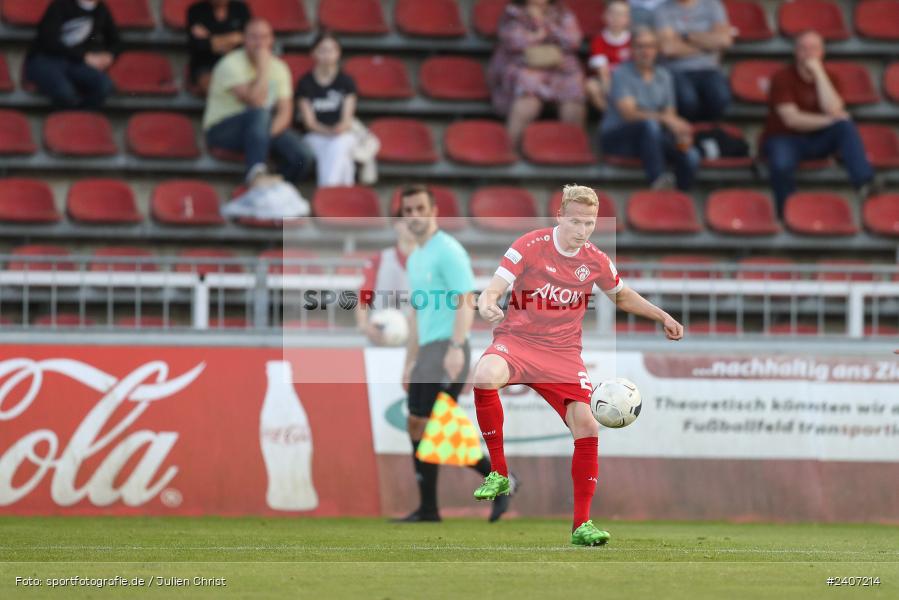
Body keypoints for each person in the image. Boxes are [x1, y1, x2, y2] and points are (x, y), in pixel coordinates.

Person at [470, 184, 684, 546]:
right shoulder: (529, 245)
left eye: (589, 223)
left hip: (563, 354)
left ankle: (582, 525)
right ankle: (499, 473)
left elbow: (622, 296)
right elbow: (494, 288)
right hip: (519, 342)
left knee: (587, 425)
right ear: (560, 216)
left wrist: (661, 315)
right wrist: (488, 303)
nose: (582, 230)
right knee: (485, 374)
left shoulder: (596, 259)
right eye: (575, 221)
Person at [395, 185, 516, 524]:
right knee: (425, 424)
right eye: (408, 210)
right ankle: (492, 485)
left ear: (433, 211)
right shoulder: (416, 257)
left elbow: (466, 299)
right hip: (427, 351)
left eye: (420, 208)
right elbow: (417, 313)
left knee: (428, 424)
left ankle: (442, 505)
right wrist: (409, 361)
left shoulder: (448, 250)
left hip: (448, 346)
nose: (414, 216)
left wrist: (455, 347)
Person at [762, 31, 878, 216]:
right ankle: (787, 213)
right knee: (781, 163)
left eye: (814, 48)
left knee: (845, 127)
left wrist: (819, 73)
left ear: (822, 52)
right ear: (795, 52)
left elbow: (833, 109)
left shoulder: (830, 77)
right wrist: (830, 120)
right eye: (804, 48)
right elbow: (792, 120)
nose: (809, 53)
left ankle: (864, 182)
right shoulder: (782, 77)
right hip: (785, 138)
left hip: (816, 139)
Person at [203, 18, 312, 185]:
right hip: (222, 129)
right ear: (244, 39)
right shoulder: (230, 64)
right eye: (254, 37)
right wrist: (263, 68)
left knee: (303, 156)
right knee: (259, 114)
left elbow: (285, 112)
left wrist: (263, 137)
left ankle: (273, 193)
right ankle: (256, 174)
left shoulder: (280, 68)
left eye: (264, 37)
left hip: (262, 130)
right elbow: (256, 101)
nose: (260, 43)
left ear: (271, 39)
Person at [599, 28, 699, 190]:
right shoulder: (621, 73)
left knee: (690, 154)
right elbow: (629, 114)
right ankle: (658, 181)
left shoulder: (664, 76)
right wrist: (665, 119)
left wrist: (679, 131)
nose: (645, 51)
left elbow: (670, 114)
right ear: (632, 50)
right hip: (618, 138)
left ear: (657, 50)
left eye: (650, 46)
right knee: (649, 125)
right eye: (640, 46)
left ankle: (679, 197)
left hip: (652, 139)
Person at [487, 0, 586, 145]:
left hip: (559, 67)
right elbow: (515, 41)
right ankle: (509, 147)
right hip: (524, 64)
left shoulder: (562, 12)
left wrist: (544, 27)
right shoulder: (513, 13)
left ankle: (572, 148)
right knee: (529, 96)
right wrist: (540, 28)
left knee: (573, 93)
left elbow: (573, 41)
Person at [24, 0, 118, 109]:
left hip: (76, 63)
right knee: (64, 92)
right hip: (46, 60)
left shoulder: (101, 9)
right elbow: (49, 41)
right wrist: (84, 56)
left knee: (104, 85)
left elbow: (116, 41)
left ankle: (82, 115)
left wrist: (109, 55)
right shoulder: (60, 5)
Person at [296, 32, 358, 187]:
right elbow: (309, 123)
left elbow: (347, 121)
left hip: (342, 135)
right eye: (322, 50)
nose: (327, 55)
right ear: (313, 53)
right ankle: (340, 194)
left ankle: (326, 190)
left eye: (331, 50)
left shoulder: (346, 82)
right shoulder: (305, 83)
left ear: (338, 53)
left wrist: (337, 130)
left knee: (340, 144)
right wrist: (328, 131)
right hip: (315, 136)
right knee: (342, 157)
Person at [654, 0, 733, 122]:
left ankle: (706, 130)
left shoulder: (712, 5)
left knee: (721, 96)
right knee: (687, 100)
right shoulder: (662, 9)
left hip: (709, 68)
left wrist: (686, 37)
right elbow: (668, 49)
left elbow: (724, 40)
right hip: (676, 70)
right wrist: (709, 46)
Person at [356, 217, 415, 345]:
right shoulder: (379, 259)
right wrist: (364, 325)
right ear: (397, 224)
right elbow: (364, 295)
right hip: (379, 334)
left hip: (416, 339)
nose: (411, 225)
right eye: (406, 220)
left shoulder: (430, 262)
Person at [186, 0, 251, 96]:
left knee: (247, 86)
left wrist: (211, 39)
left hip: (236, 62)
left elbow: (248, 38)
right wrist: (233, 38)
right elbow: (199, 45)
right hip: (206, 64)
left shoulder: (241, 9)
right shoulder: (196, 10)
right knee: (214, 88)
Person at [585, 0, 631, 113]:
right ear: (605, 16)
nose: (616, 18)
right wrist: (610, 91)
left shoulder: (633, 40)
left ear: (628, 19)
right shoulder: (598, 40)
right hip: (607, 80)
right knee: (591, 86)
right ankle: (611, 115)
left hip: (629, 80)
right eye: (612, 13)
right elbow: (603, 72)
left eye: (621, 14)